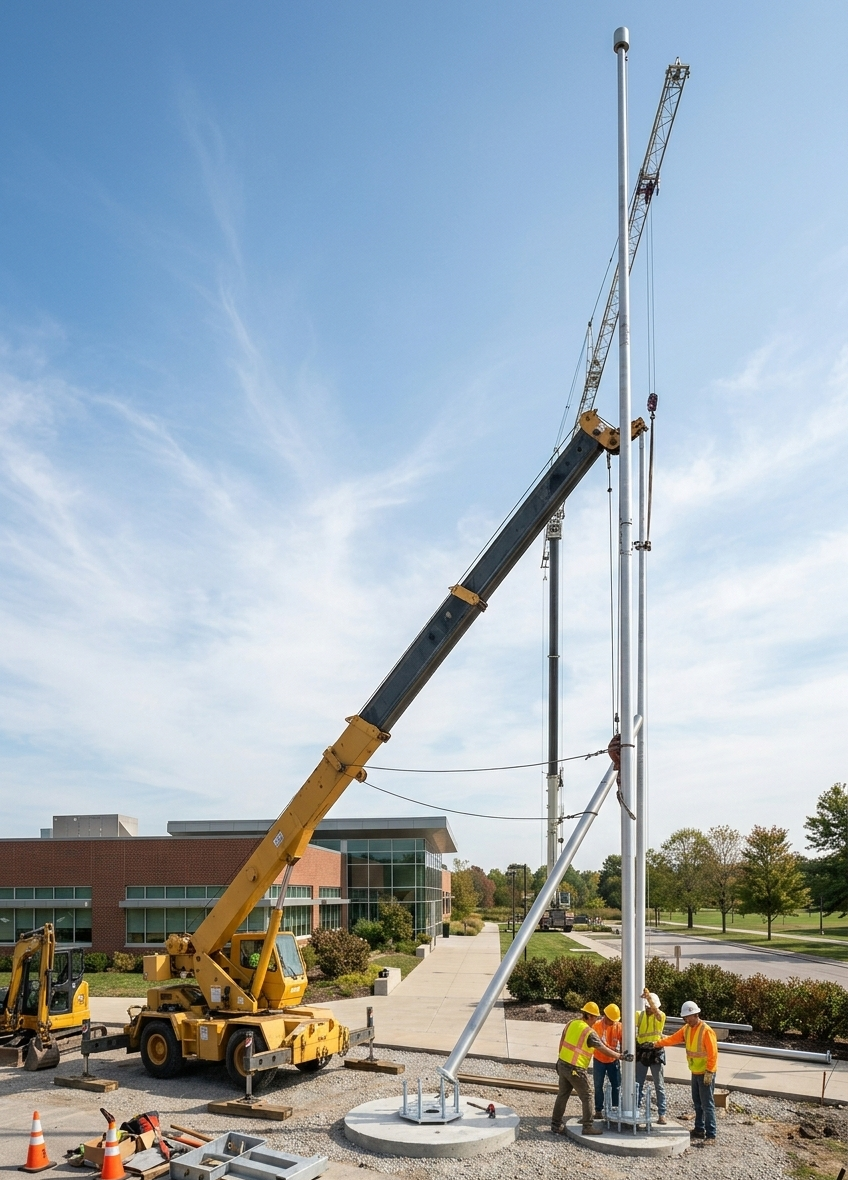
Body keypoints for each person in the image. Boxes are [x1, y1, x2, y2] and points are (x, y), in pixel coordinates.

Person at [551, 1001, 626, 1137]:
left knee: (562, 1094)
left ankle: (555, 1125)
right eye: (596, 1017)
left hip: (562, 1064)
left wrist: (559, 1059)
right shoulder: (589, 1032)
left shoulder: (571, 1023)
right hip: (575, 1068)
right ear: (590, 1016)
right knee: (588, 1096)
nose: (597, 1019)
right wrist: (619, 1056)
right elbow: (602, 1049)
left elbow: (562, 1041)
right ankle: (588, 1126)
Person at [655, 1000, 719, 1145]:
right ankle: (699, 1129)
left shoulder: (706, 1031)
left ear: (696, 1014)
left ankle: (711, 1135)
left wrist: (709, 1071)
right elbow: (673, 1039)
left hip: (705, 1072)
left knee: (707, 1104)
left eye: (688, 1017)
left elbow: (713, 1054)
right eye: (685, 1017)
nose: (686, 1019)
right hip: (695, 1071)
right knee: (697, 1103)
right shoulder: (687, 1029)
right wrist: (657, 1044)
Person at [635, 988, 667, 1124]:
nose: (650, 1010)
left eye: (651, 1007)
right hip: (642, 1051)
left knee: (659, 1084)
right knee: (638, 1084)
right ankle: (635, 1110)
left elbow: (658, 1014)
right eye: (648, 1008)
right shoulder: (639, 1015)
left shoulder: (661, 1016)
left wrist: (649, 999)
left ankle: (662, 1114)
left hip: (655, 1052)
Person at [591, 1003, 623, 1119]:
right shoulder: (597, 1026)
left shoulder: (618, 1026)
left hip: (613, 1061)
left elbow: (624, 1042)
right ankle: (598, 1110)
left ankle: (615, 1109)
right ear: (605, 1016)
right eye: (611, 1020)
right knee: (598, 1085)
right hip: (599, 1060)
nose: (612, 1022)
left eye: (614, 1020)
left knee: (616, 1085)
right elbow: (598, 1045)